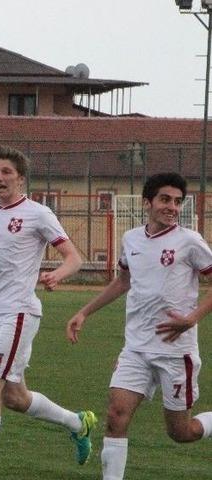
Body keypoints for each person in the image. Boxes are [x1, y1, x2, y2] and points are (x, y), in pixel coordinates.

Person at [0, 146, 95, 475]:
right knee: (14, 397)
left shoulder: (38, 213)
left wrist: (56, 274)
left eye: (6, 172)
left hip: (19, 313)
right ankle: (78, 423)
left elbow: (74, 257)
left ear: (21, 179)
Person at [65, 172, 212, 480]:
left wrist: (192, 319)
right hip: (136, 349)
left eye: (177, 201)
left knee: (180, 432)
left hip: (176, 352)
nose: (172, 207)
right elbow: (123, 281)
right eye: (165, 199)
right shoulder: (131, 238)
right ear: (148, 202)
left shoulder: (189, 241)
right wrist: (85, 312)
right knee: (116, 416)